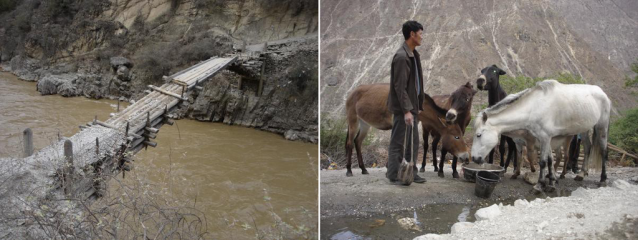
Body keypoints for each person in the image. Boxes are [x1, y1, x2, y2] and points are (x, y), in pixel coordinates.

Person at [386, 20, 426, 184]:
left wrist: (417, 106)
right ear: (412, 34)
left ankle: (411, 173)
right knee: (398, 141)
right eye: (421, 34)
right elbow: (399, 87)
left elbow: (414, 84)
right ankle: (394, 174)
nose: (422, 37)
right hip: (405, 108)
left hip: (412, 107)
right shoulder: (402, 57)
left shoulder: (413, 54)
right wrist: (407, 111)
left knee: (413, 142)